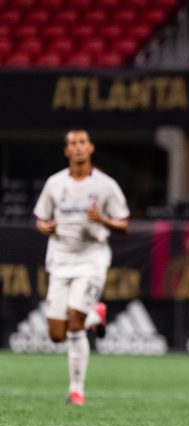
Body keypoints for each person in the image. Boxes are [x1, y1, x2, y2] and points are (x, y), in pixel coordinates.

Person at [34, 129, 130, 405]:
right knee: (56, 334)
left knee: (74, 324)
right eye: (72, 144)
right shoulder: (54, 184)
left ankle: (77, 390)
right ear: (66, 151)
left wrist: (102, 220)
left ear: (90, 148)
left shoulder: (105, 185)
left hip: (91, 259)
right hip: (60, 260)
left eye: (82, 143)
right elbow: (40, 219)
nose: (77, 148)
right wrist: (46, 227)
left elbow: (123, 223)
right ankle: (96, 316)